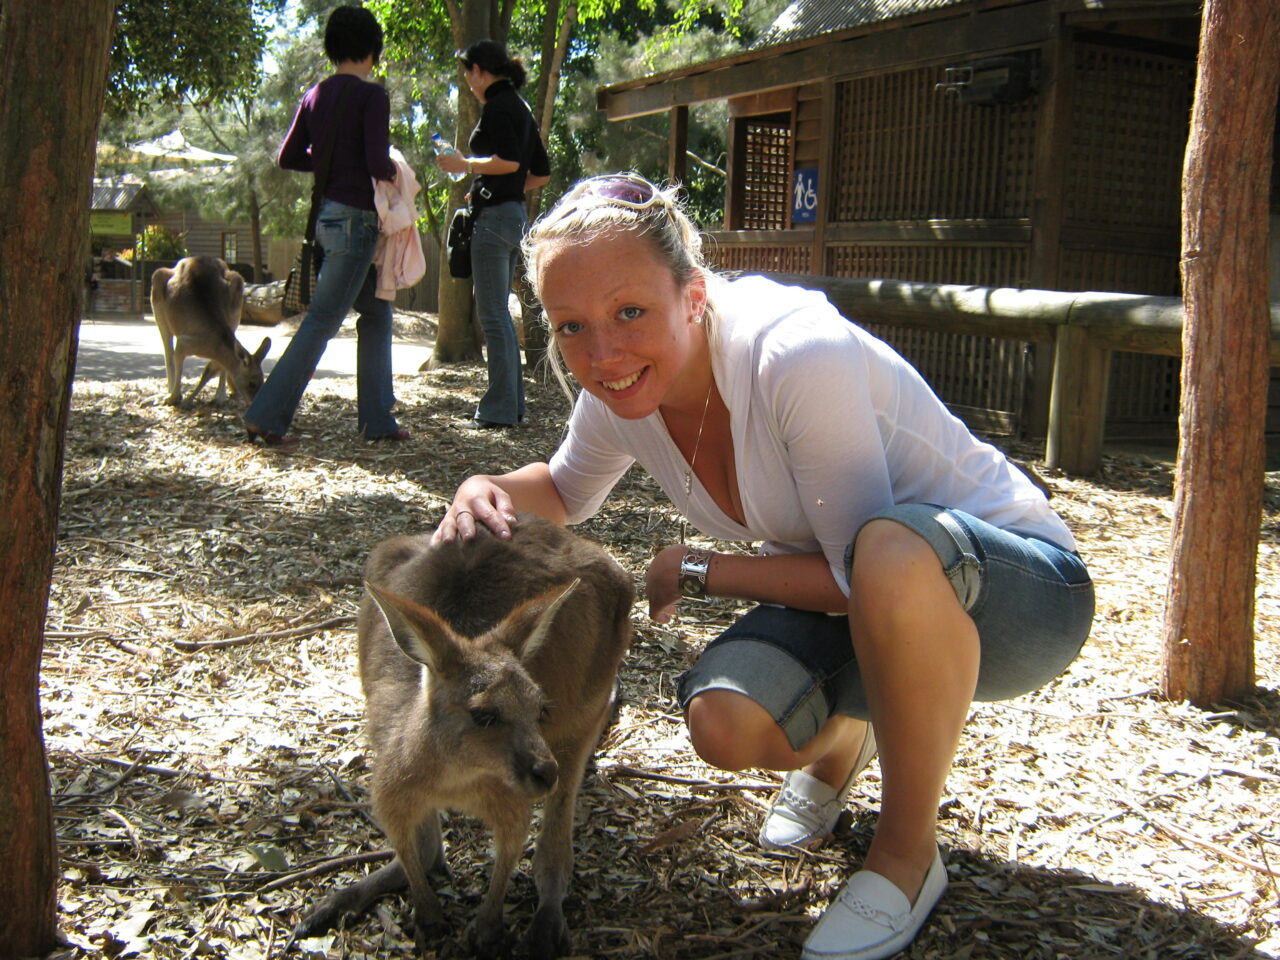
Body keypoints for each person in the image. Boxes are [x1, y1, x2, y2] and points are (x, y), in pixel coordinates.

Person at [432, 173, 1094, 960]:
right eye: (570, 326)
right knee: (725, 718)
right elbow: (566, 491)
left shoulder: (791, 352)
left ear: (694, 294)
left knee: (887, 549)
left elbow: (859, 573)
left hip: (1018, 597)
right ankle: (849, 741)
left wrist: (705, 568)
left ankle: (907, 856)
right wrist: (483, 487)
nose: (603, 353)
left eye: (630, 312)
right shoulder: (619, 394)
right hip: (867, 604)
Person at [243, 4, 406, 446]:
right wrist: (396, 173)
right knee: (322, 320)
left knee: (375, 313)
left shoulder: (315, 95)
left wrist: (331, 157)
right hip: (357, 223)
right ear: (373, 50)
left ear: (332, 49)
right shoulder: (373, 96)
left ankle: (378, 420)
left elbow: (288, 156)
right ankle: (266, 414)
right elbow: (377, 162)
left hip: (326, 219)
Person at [436, 39, 551, 430]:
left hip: (495, 221)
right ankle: (511, 405)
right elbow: (539, 171)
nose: (468, 81)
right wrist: (502, 186)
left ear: (480, 71)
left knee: (493, 315)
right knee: (499, 314)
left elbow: (511, 162)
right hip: (514, 214)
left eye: (469, 73)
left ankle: (500, 408)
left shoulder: (500, 107)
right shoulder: (520, 106)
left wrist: (466, 164)